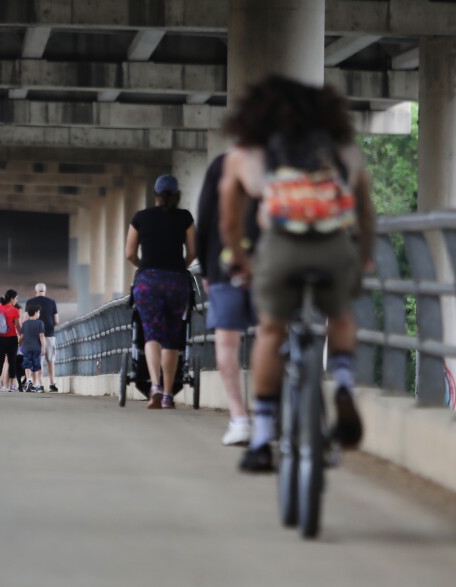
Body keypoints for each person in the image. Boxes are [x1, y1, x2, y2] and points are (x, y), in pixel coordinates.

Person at [218, 74, 375, 472]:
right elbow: (365, 211)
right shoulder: (341, 150)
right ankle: (341, 384)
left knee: (271, 330)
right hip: (333, 247)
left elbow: (230, 217)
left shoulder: (248, 153)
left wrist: (238, 257)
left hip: (281, 248)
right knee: (340, 315)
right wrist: (365, 257)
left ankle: (260, 438)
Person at [196, 154, 259, 445]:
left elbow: (206, 217)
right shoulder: (285, 159)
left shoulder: (223, 164)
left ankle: (240, 417)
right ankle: (273, 410)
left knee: (226, 342)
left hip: (225, 263)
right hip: (271, 260)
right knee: (273, 335)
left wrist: (207, 270)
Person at [125, 174, 196, 409]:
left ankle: (154, 386)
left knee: (151, 334)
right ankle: (167, 394)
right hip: (176, 281)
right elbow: (193, 251)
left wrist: (144, 267)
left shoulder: (141, 218)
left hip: (148, 281)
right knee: (172, 337)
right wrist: (178, 266)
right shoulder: (185, 217)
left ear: (155, 195)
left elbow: (129, 254)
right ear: (177, 195)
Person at [24, 283, 59, 392]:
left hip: (34, 337)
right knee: (50, 360)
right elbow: (56, 321)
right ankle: (52, 383)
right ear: (45, 291)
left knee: (38, 361)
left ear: (35, 292)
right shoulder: (52, 302)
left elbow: (25, 319)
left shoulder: (30, 302)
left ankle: (39, 384)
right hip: (49, 335)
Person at [0, 290, 22, 392]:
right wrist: (22, 335)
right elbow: (17, 326)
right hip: (11, 339)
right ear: (12, 298)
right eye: (16, 298)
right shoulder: (15, 310)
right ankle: (12, 385)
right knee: (12, 361)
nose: (16, 300)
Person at [20, 303, 46, 392]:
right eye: (38, 312)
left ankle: (28, 380)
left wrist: (20, 345)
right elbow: (41, 336)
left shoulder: (25, 324)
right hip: (36, 348)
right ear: (35, 313)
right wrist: (44, 347)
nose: (39, 314)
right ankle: (36, 384)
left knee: (27, 365)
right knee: (36, 366)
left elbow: (21, 337)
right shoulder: (40, 323)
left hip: (26, 347)